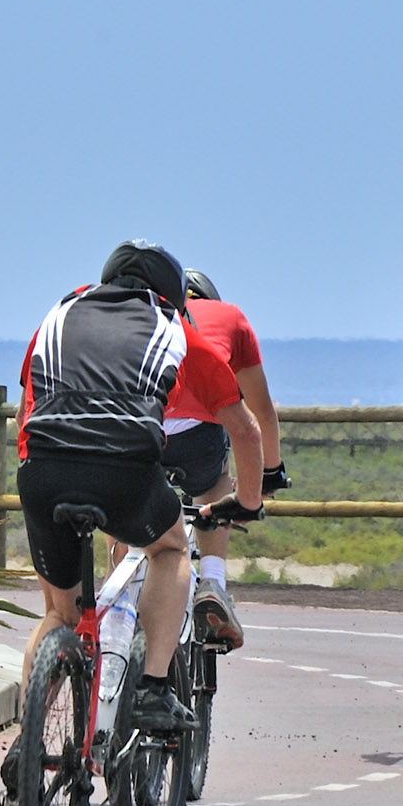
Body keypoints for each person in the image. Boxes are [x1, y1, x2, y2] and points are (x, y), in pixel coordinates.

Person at [6, 241, 263, 806]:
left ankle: (27, 743)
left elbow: (27, 408)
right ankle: (151, 689)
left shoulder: (57, 316)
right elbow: (244, 430)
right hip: (123, 471)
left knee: (60, 613)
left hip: (42, 469)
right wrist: (245, 503)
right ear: (168, 295)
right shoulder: (174, 328)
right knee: (170, 551)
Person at [162, 268, 285, 648]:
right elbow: (261, 412)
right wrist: (270, 474)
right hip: (198, 440)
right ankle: (212, 582)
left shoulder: (143, 313)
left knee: (129, 500)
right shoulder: (229, 316)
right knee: (216, 478)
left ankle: (121, 590)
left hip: (141, 429)